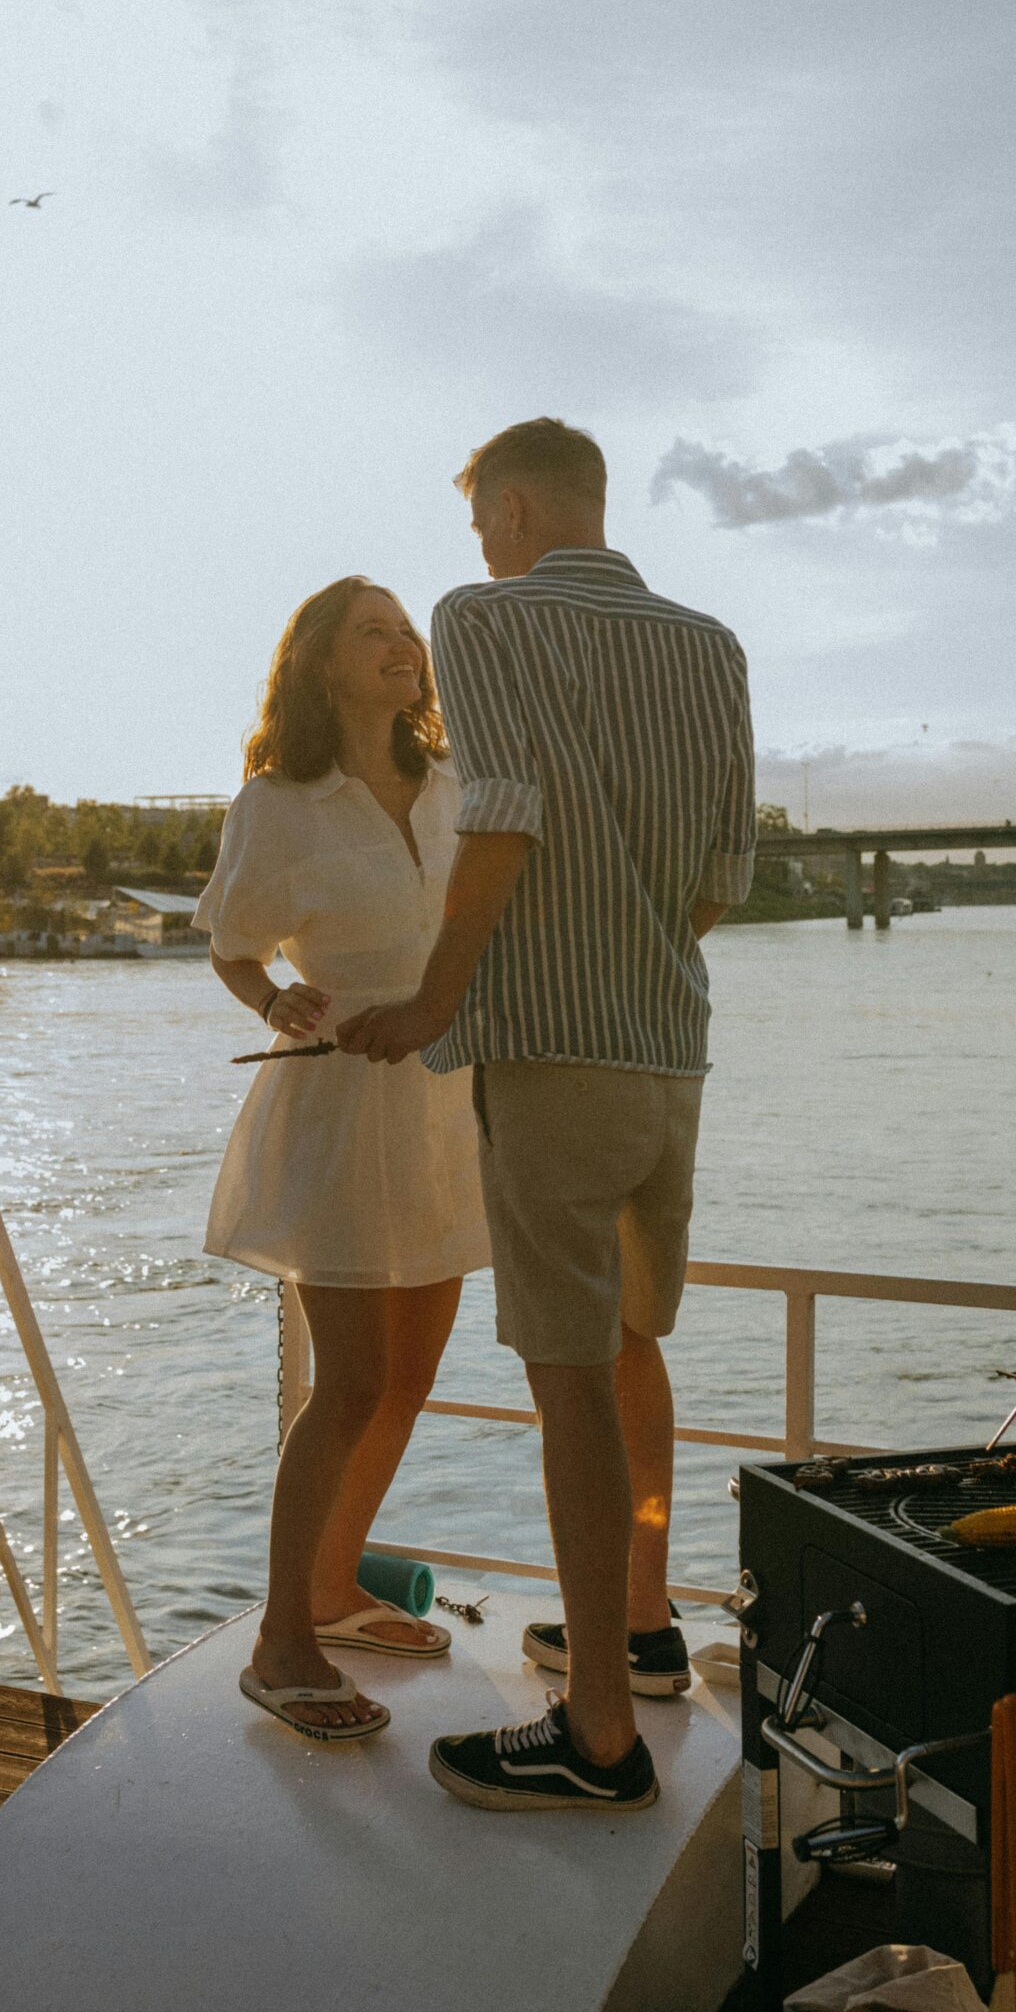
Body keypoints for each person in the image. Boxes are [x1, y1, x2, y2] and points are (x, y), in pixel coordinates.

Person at [338, 418, 755, 1811]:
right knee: (629, 1341)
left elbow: (499, 819)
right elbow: (717, 879)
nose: (476, 553)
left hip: (553, 1058)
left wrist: (428, 1009)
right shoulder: (709, 647)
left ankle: (592, 1736)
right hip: (666, 1055)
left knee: (565, 1375)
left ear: (511, 509)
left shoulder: (485, 619)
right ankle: (633, 1631)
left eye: (479, 526)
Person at [195, 576, 492, 1744]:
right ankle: (281, 1640)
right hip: (337, 1109)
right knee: (352, 1380)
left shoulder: (455, 785)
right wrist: (273, 995)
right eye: (374, 632)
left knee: (412, 1373)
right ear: (321, 664)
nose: (404, 646)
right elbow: (229, 937)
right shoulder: (281, 801)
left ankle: (331, 1590)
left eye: (406, 629)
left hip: (444, 1103)